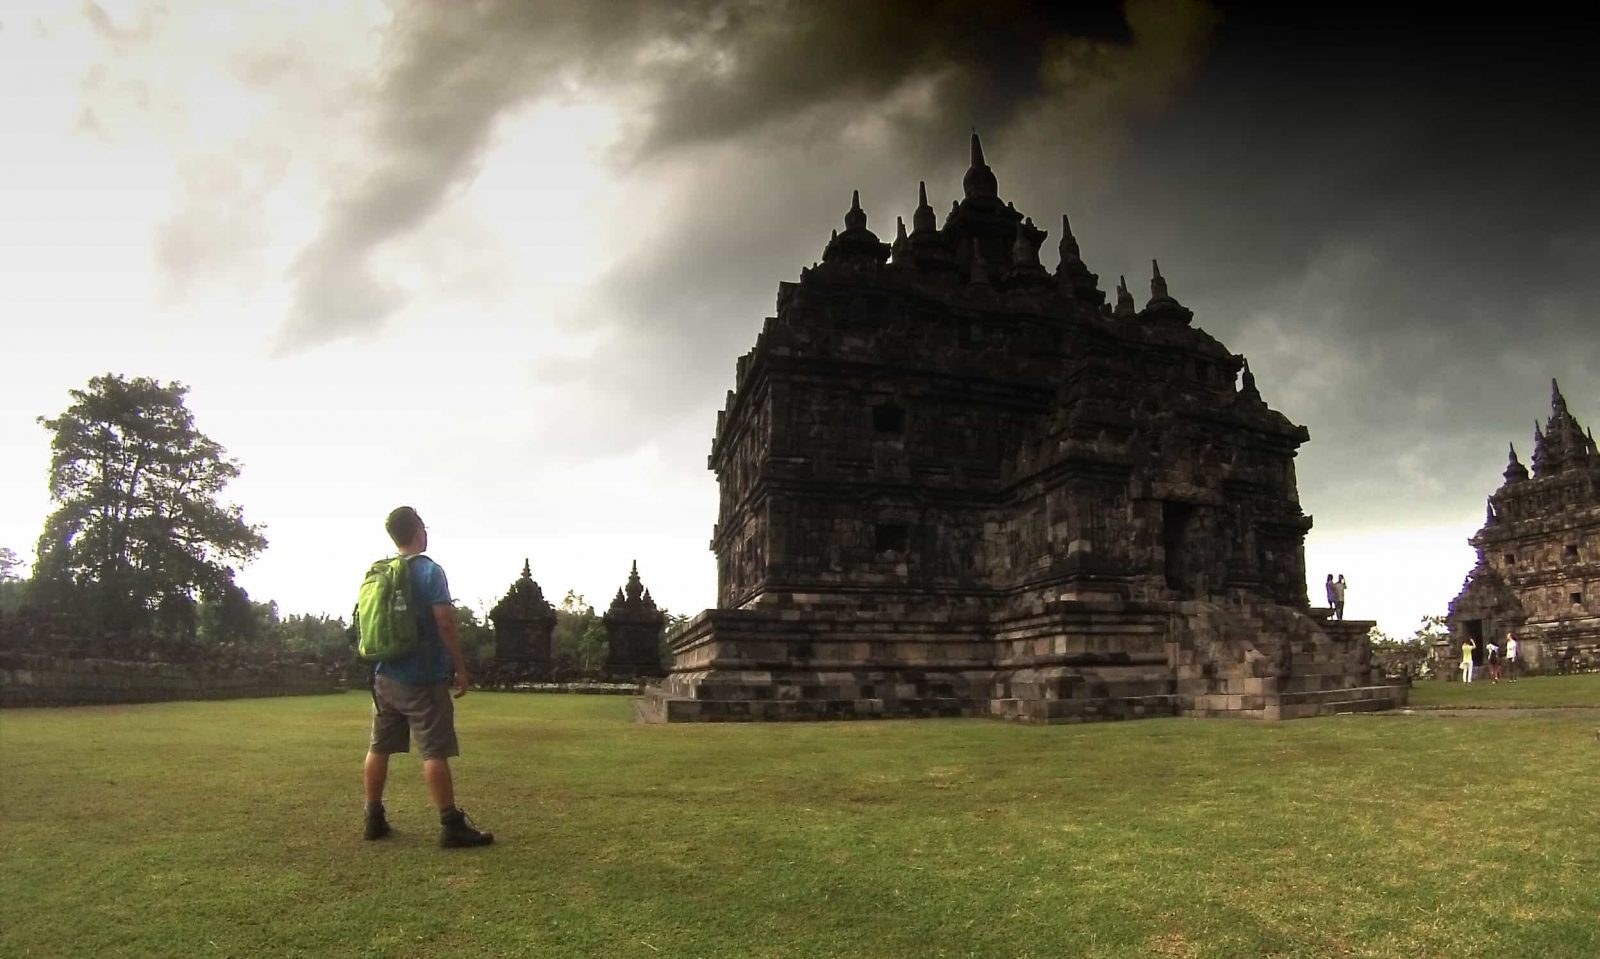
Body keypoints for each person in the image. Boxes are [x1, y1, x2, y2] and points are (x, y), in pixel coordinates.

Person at [362, 506, 494, 848]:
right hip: (422, 677)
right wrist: (460, 666)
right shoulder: (429, 572)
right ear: (419, 530)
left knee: (378, 747)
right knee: (434, 751)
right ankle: (451, 824)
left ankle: (373, 818)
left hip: (383, 676)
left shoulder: (381, 572)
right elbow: (445, 623)